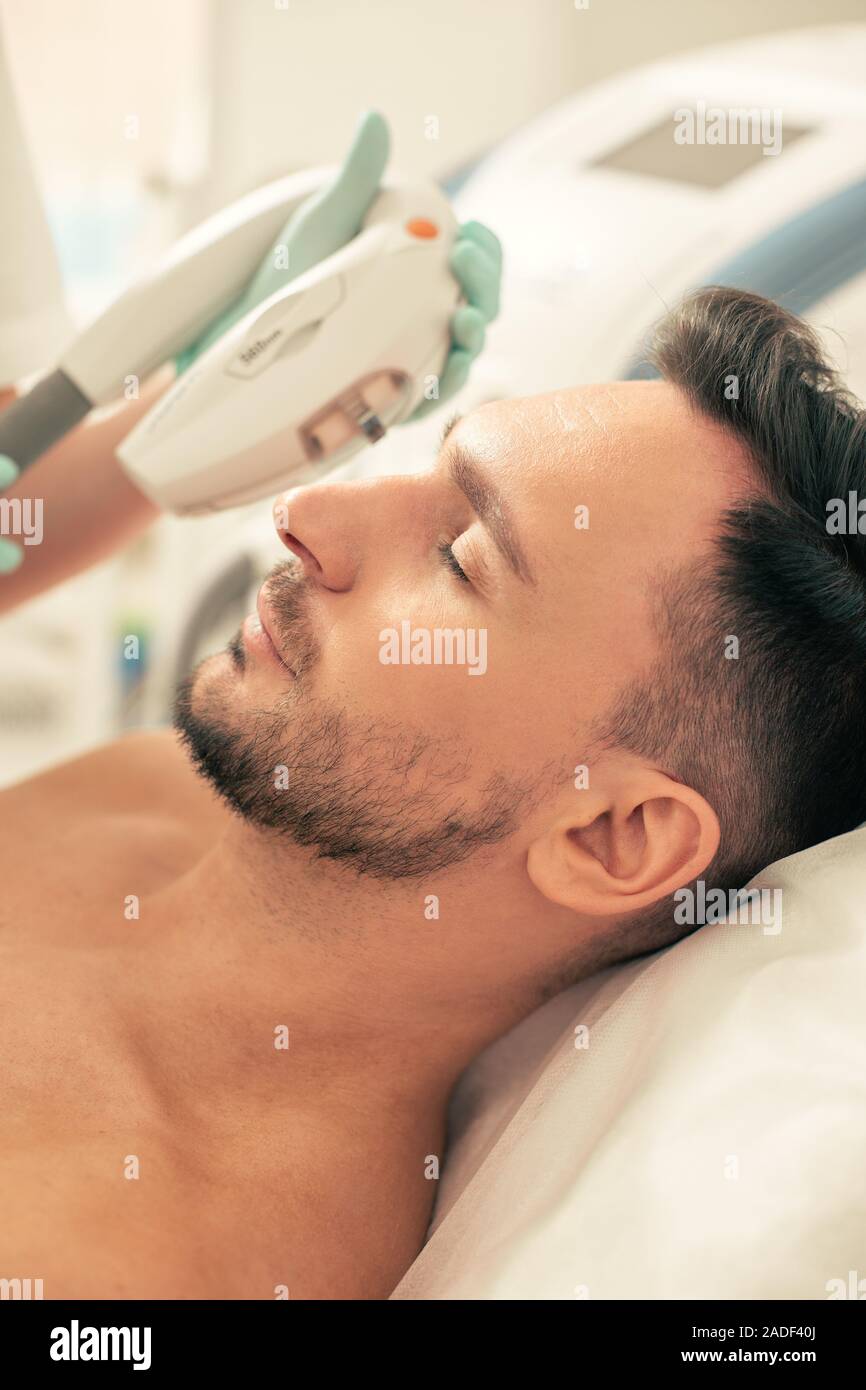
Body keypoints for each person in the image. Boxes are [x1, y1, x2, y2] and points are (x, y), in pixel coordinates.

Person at [2, 274, 866, 1297]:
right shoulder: (159, 796)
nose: (303, 512)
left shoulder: (139, 1266)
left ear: (614, 835)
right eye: (426, 468)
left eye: (458, 558)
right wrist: (179, 403)